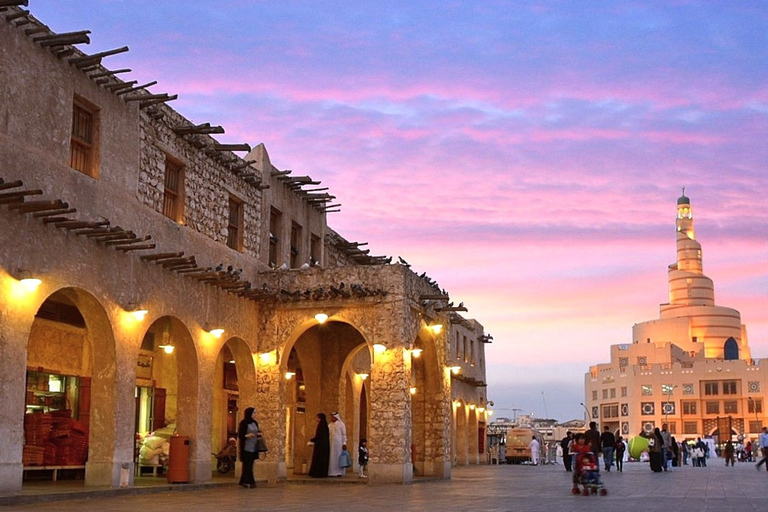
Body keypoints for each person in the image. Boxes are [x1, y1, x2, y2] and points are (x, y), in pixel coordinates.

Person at [237, 407, 261, 488]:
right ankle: (251, 482)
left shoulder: (255, 423)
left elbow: (258, 431)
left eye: (255, 413)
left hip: (254, 447)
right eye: (254, 413)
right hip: (246, 448)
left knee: (250, 465)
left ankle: (243, 481)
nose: (255, 415)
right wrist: (247, 435)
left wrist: (258, 434)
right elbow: (240, 435)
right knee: (248, 465)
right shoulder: (244, 423)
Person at [308, 413, 330, 478]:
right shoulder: (324, 425)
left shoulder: (321, 426)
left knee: (319, 459)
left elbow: (319, 436)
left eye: (318, 418)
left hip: (320, 446)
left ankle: (318, 473)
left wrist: (312, 440)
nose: (317, 419)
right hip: (323, 445)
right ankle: (321, 473)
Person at [328, 412, 348, 476]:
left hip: (339, 444)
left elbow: (344, 434)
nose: (332, 418)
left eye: (333, 417)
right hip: (331, 443)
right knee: (332, 458)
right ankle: (332, 472)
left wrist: (344, 443)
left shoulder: (341, 424)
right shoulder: (330, 425)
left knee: (338, 457)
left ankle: (339, 472)